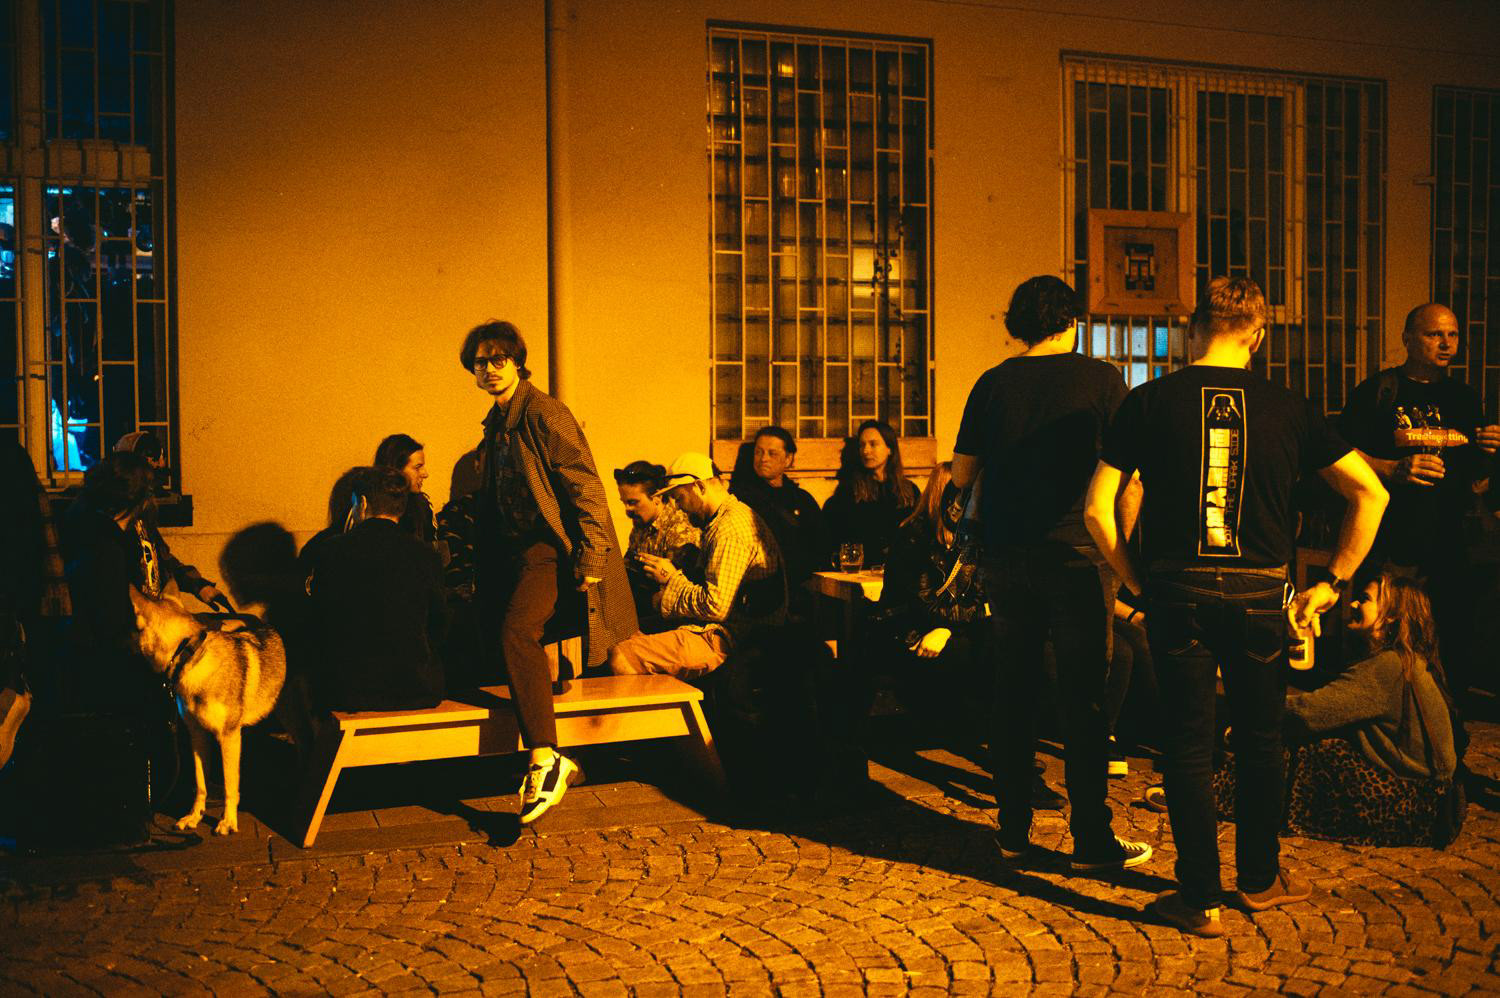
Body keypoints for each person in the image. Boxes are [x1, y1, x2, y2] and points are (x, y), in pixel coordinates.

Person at [1085, 276, 1389, 937]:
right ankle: (1259, 878)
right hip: (1260, 594)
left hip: (1178, 591)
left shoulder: (1148, 401)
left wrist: (1136, 584)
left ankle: (1199, 898)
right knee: (1260, 741)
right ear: (1259, 335)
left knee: (1187, 745)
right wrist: (1331, 583)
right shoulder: (1291, 407)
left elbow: (1096, 511)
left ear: (1194, 327)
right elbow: (1372, 494)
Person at [950, 274, 1149, 875]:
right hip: (1077, 557)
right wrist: (1126, 557)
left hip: (1006, 558)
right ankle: (1091, 838)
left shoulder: (992, 383)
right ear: (1072, 320)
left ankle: (1012, 832)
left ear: (1017, 324)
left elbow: (961, 476)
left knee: (1013, 692)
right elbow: (1128, 477)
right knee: (1083, 700)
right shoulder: (1102, 380)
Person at [462, 320, 637, 824]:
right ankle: (554, 749)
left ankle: (545, 757)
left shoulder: (543, 412)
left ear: (518, 363)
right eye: (480, 362)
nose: (490, 369)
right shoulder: (497, 422)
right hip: (514, 551)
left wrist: (593, 556)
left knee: (517, 631)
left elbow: (586, 485)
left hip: (549, 546)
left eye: (499, 360)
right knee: (499, 633)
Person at [1337, 303, 1500, 703]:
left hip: (1448, 545)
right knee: (1384, 645)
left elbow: (1476, 479)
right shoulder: (1379, 392)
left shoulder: (1464, 398)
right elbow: (1338, 458)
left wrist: (1489, 450)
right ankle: (1383, 726)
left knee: (1450, 646)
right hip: (1391, 545)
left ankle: (1446, 731)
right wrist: (1391, 468)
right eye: (1434, 334)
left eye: (1453, 335)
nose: (1446, 343)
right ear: (1408, 339)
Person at [1272, 571, 1456, 845]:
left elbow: (1310, 713)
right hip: (1428, 798)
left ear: (1391, 615)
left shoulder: (1389, 665)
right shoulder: (1406, 659)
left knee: (1311, 751)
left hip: (1414, 804)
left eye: (1364, 599)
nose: (1354, 604)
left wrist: (1252, 706)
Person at [609, 453, 785, 679]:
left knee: (623, 656)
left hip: (730, 635)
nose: (677, 508)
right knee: (622, 636)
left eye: (679, 498)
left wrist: (671, 580)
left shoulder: (730, 529)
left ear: (700, 487)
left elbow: (716, 606)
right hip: (716, 628)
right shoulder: (719, 522)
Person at [306, 467, 448, 712]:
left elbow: (319, 619)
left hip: (349, 690)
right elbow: (439, 623)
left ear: (361, 503)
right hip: (416, 688)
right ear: (401, 508)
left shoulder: (331, 551)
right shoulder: (426, 556)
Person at [873, 462, 988, 737]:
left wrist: (948, 629)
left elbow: (979, 595)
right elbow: (922, 603)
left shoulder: (970, 538)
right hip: (909, 629)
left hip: (947, 628)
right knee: (968, 655)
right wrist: (949, 627)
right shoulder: (914, 536)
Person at [732, 427, 827, 593]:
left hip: (801, 588)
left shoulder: (802, 500)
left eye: (772, 453)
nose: (763, 459)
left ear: (788, 459)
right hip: (759, 587)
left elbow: (821, 544)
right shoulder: (740, 499)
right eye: (758, 452)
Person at [615, 461, 700, 634]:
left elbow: (679, 593)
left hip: (672, 618)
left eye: (633, 502)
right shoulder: (641, 525)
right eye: (624, 503)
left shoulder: (680, 529)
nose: (627, 510)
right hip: (645, 607)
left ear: (657, 498)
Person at [823, 419, 919, 569]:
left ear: (889, 449)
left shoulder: (909, 491)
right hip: (862, 571)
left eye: (873, 444)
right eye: (862, 445)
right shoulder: (849, 491)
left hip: (900, 571)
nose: (866, 450)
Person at [373, 433, 440, 548]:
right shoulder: (369, 506)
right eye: (417, 467)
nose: (425, 474)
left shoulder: (422, 506)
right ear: (396, 469)